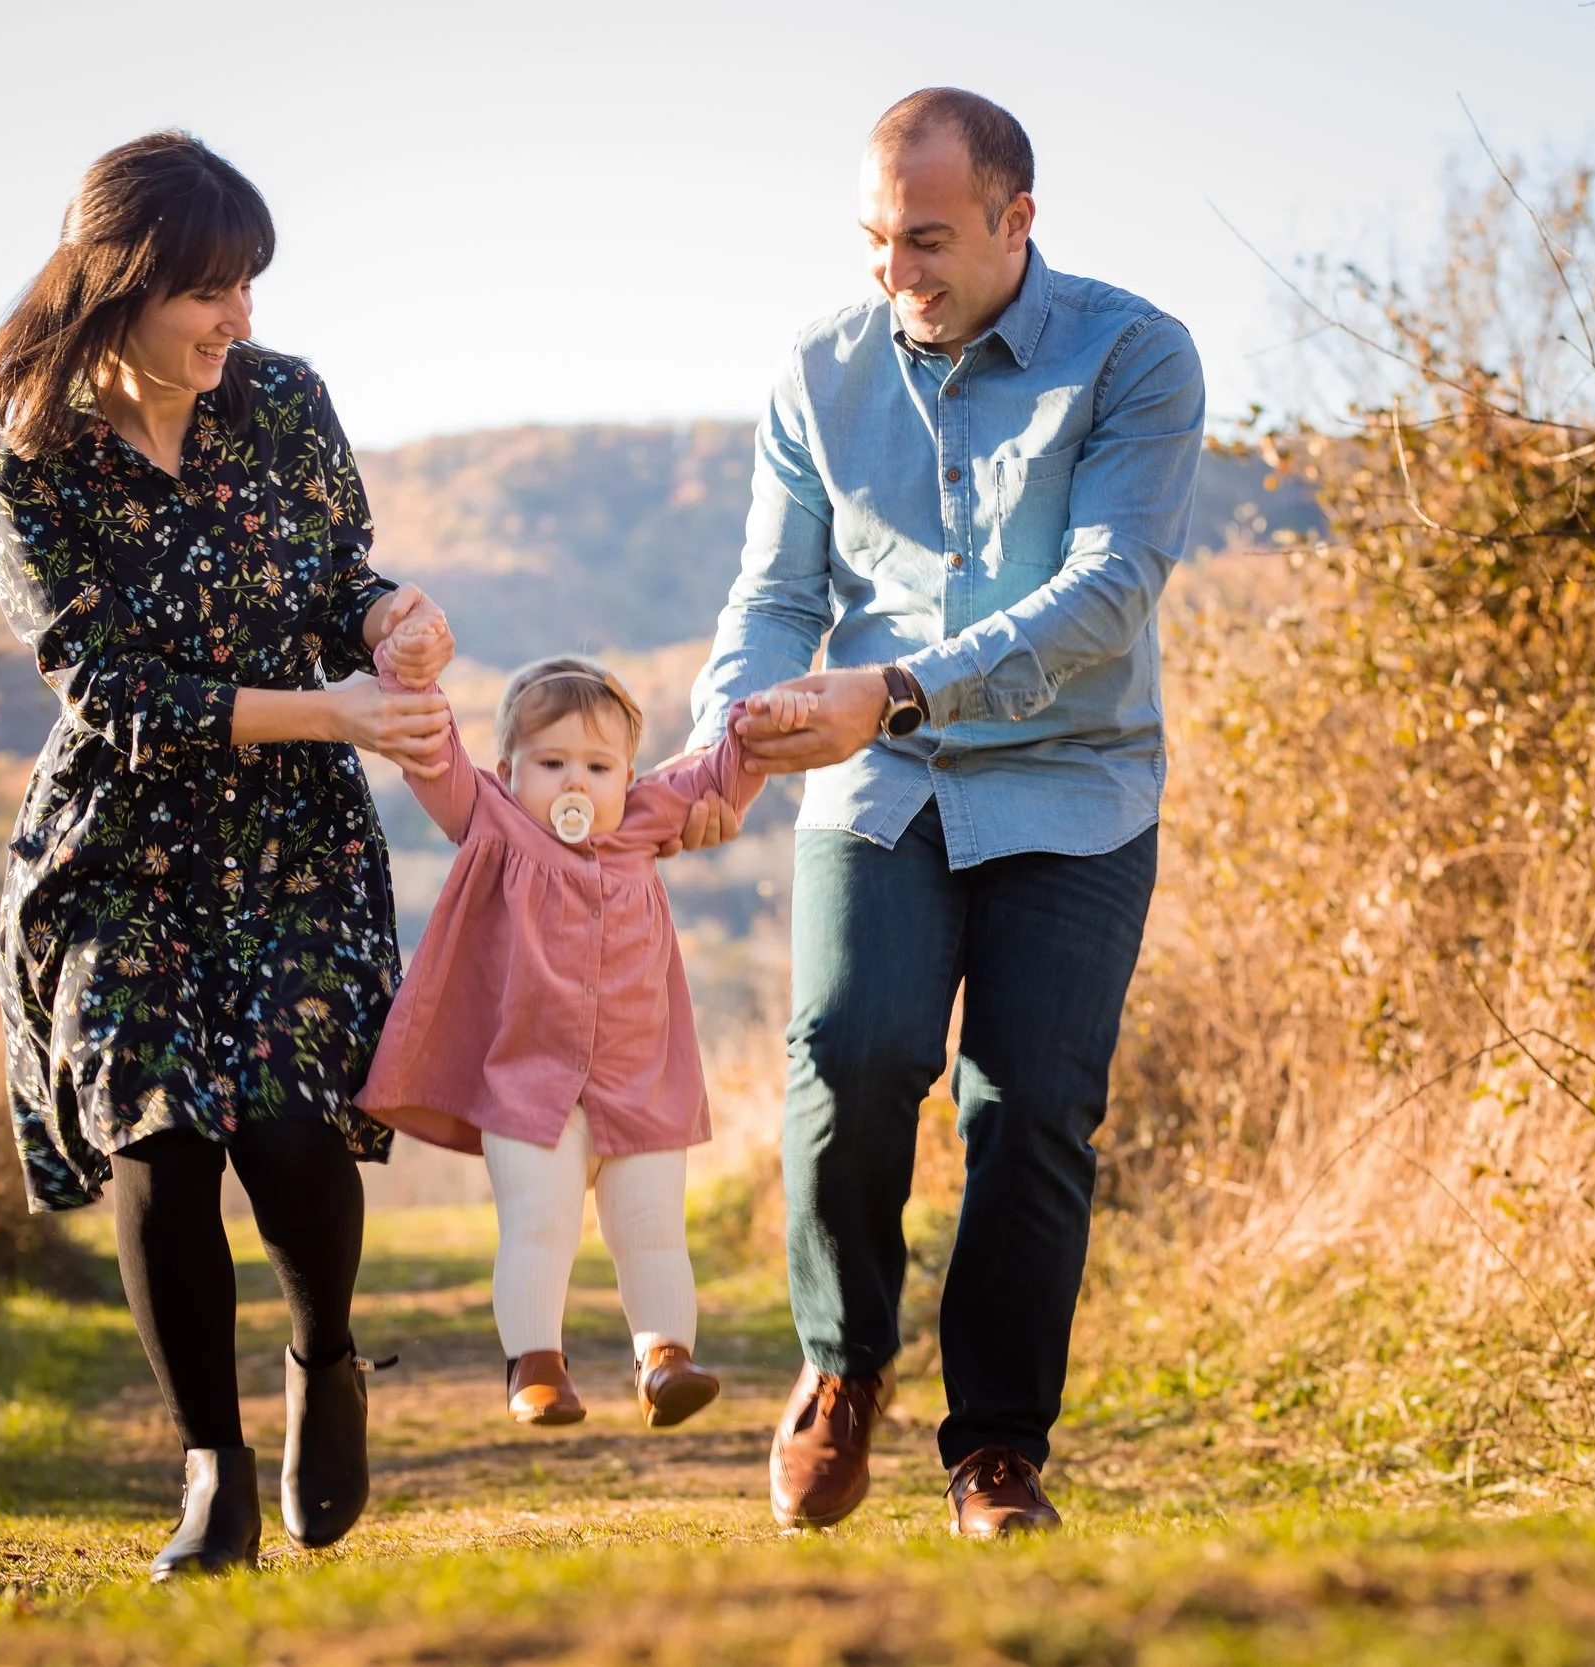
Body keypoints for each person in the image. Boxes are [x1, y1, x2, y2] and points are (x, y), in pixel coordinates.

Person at [679, 87, 1205, 1538]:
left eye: (926, 239)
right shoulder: (817, 373)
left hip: (1074, 782)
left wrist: (897, 685)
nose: (895, 272)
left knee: (1029, 1102)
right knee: (855, 1049)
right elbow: (779, 596)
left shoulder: (1137, 354)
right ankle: (842, 1366)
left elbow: (1108, 590)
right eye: (873, 240)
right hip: (877, 780)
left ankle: (996, 1448)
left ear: (1016, 221)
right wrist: (721, 745)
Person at [0, 131, 458, 1578]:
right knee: (158, 1130)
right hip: (121, 839)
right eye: (213, 289)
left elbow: (334, 578)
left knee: (297, 1132)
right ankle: (212, 1474)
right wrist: (332, 706)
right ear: (123, 284)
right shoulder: (36, 462)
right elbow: (107, 690)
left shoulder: (286, 403)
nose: (241, 317)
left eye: (249, 285)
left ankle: (327, 1365)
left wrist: (386, 623)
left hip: (290, 835)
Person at [355, 631, 814, 1427]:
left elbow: (718, 772)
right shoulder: (491, 818)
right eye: (552, 762)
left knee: (654, 1229)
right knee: (540, 1224)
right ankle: (535, 1363)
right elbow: (430, 750)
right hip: (529, 1087)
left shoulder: (642, 823)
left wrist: (759, 720)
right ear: (510, 771)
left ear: (627, 778)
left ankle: (664, 1356)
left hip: (639, 1082)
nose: (577, 780)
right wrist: (408, 670)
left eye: (599, 767)